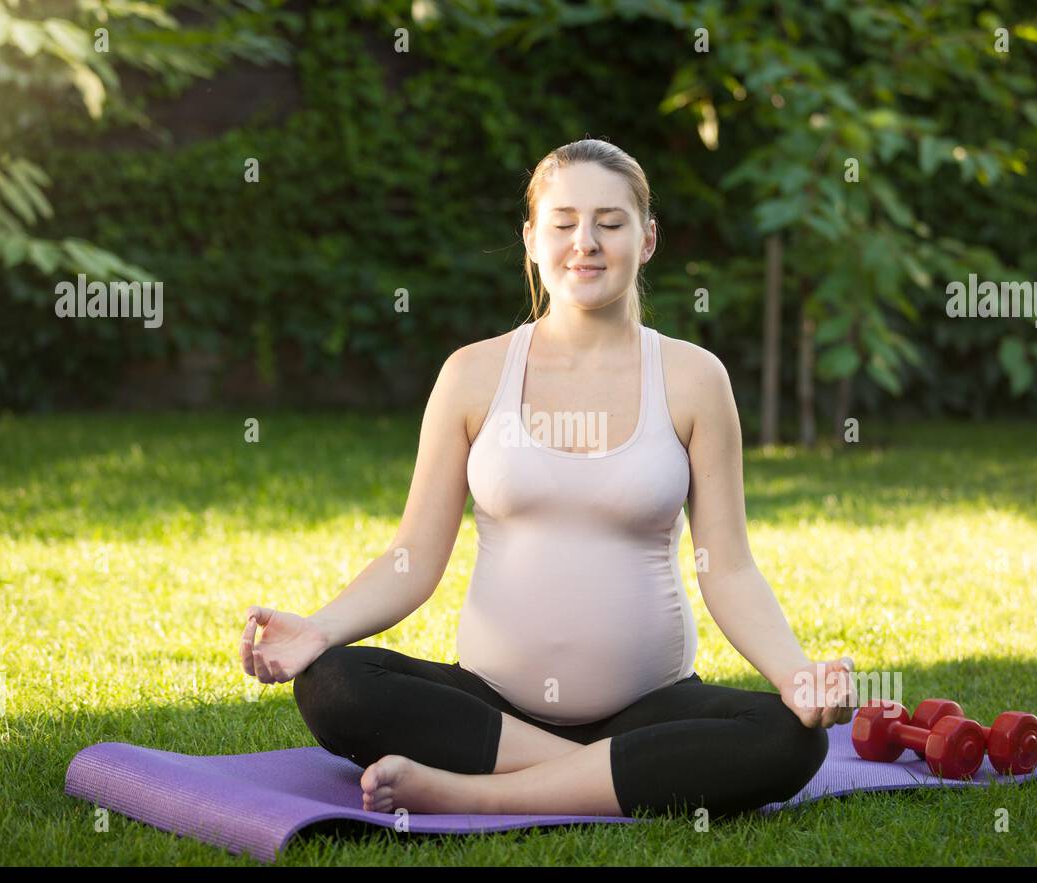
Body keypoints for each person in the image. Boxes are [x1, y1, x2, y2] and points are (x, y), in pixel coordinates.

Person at [239, 138, 855, 821]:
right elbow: (411, 559)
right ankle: (607, 779)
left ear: (647, 239)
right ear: (531, 239)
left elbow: (729, 568)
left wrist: (795, 674)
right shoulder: (472, 374)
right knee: (335, 684)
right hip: (493, 707)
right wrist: (318, 631)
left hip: (648, 711)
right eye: (562, 223)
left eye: (610, 223)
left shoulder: (694, 379)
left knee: (789, 739)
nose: (584, 243)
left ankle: (470, 793)